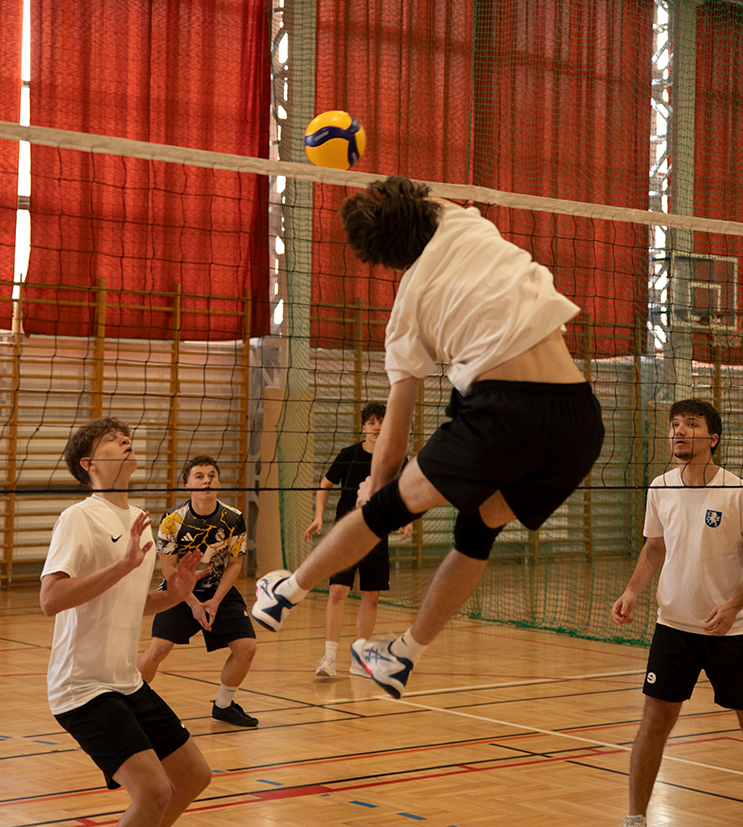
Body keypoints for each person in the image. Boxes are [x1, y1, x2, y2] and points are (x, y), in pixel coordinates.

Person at [252, 175, 604, 700]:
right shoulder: (467, 224)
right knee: (477, 530)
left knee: (381, 511)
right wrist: (367, 180)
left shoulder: (406, 313)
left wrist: (377, 487)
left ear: (385, 259)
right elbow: (423, 196)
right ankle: (403, 654)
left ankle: (287, 590)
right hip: (579, 422)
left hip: (503, 414)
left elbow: (393, 438)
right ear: (424, 208)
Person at [40, 416, 211, 827]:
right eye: (111, 439)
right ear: (89, 464)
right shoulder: (80, 517)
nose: (124, 440)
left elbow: (128, 603)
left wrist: (174, 595)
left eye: (125, 437)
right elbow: (50, 599)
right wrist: (121, 566)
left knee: (193, 777)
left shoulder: (139, 521)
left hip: (126, 682)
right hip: (82, 688)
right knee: (153, 792)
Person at [612, 398, 743, 827]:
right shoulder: (660, 486)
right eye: (674, 425)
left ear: (713, 438)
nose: (679, 431)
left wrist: (733, 605)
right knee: (654, 722)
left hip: (731, 632)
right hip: (673, 628)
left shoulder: (736, 491)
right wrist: (632, 590)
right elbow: (655, 547)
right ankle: (635, 818)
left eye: (691, 424)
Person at [137, 454, 258, 728]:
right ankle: (128, 705)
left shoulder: (234, 518)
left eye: (212, 476)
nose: (207, 481)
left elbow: (235, 564)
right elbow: (168, 568)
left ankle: (224, 706)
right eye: (200, 476)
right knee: (157, 649)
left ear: (219, 482)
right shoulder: (172, 520)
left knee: (247, 648)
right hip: (179, 591)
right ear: (188, 485)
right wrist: (192, 603)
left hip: (218, 590)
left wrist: (214, 601)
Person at [304, 400, 412, 679]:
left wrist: (407, 519)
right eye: (371, 422)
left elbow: (408, 491)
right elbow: (325, 485)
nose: (377, 427)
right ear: (363, 427)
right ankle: (329, 658)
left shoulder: (395, 458)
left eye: (382, 423)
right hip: (345, 536)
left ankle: (359, 659)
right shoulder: (348, 455)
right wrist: (319, 516)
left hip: (376, 535)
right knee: (337, 591)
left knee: (371, 597)